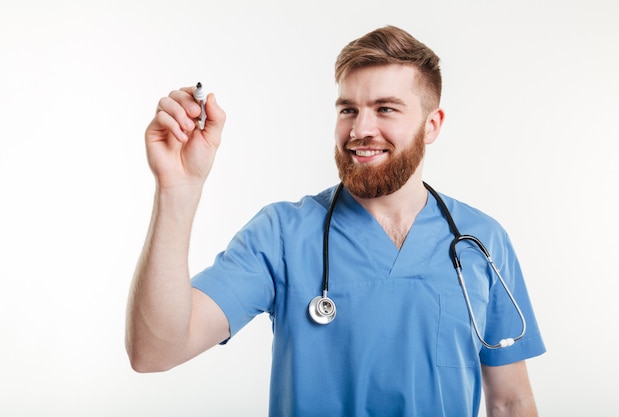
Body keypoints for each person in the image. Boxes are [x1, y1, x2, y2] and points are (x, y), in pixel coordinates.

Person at [125, 25, 546, 417]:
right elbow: (154, 352)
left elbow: (510, 402)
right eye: (348, 109)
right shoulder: (282, 234)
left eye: (385, 109)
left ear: (431, 125)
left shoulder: (480, 241)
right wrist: (176, 190)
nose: (360, 129)